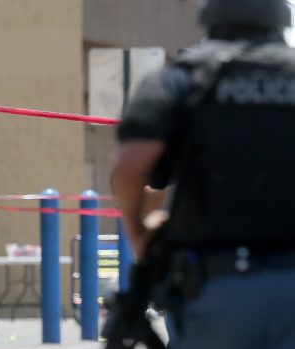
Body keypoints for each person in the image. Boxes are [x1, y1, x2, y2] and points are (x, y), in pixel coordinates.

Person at [111, 0, 295, 347]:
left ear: (209, 19)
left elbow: (131, 164)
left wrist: (137, 232)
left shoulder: (183, 77)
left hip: (216, 290)